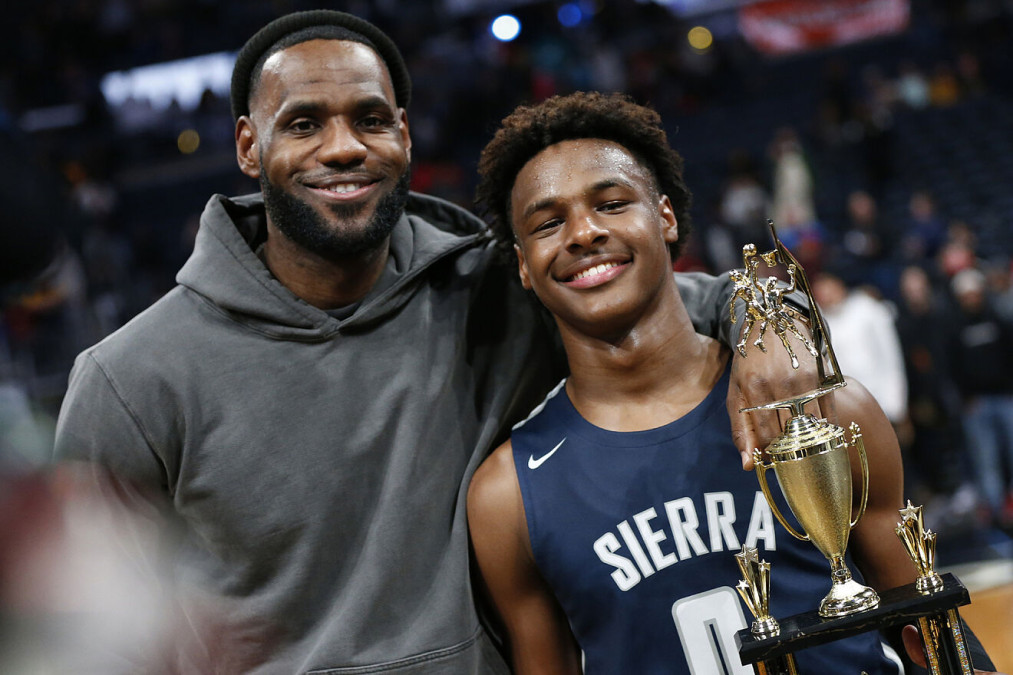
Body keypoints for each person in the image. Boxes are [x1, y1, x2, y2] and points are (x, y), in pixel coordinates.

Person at [50, 10, 787, 673]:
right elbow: (86, 640)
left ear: (402, 134)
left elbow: (693, 299)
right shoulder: (131, 381)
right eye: (304, 124)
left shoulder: (493, 290)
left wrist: (768, 326)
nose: (342, 148)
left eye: (368, 119)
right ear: (249, 144)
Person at [468, 91, 999, 674]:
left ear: (665, 218)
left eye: (613, 204)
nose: (583, 232)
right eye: (548, 222)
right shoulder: (507, 495)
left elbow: (929, 629)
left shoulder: (827, 413)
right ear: (522, 263)